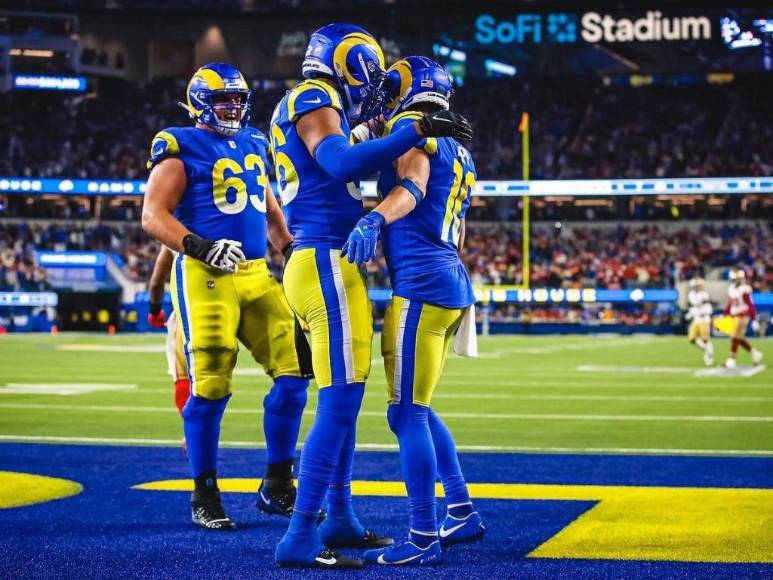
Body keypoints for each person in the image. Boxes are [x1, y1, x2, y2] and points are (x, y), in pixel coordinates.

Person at [270, 25, 473, 569]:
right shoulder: (315, 98)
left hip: (328, 260)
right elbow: (340, 163)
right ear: (351, 61)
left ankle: (338, 516)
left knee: (347, 399)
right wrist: (416, 128)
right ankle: (300, 534)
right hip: (324, 259)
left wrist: (386, 130)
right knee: (340, 401)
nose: (373, 89)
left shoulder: (317, 104)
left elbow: (346, 149)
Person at [142, 62, 314, 531]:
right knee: (212, 382)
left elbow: (269, 208)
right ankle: (205, 492)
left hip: (257, 273)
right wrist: (200, 246)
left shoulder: (255, 142)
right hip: (206, 274)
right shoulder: (179, 144)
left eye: (238, 99)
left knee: (296, 374)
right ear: (200, 102)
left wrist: (290, 251)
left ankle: (277, 483)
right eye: (223, 99)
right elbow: (153, 215)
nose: (233, 107)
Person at [341, 56, 484, 566]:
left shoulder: (413, 129)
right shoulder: (459, 148)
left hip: (422, 287)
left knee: (404, 414)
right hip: (450, 282)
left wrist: (375, 219)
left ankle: (423, 534)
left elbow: (414, 186)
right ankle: (460, 509)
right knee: (417, 409)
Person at [723, 269, 763, 368]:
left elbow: (750, 304)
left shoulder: (744, 289)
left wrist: (754, 319)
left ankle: (732, 359)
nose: (735, 281)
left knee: (734, 336)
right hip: (735, 315)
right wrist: (725, 314)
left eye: (737, 279)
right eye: (734, 279)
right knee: (739, 338)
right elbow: (730, 303)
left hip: (742, 314)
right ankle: (755, 354)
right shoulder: (731, 288)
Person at [685, 277, 714, 366]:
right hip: (696, 318)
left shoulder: (704, 294)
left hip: (704, 318)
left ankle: (709, 356)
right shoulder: (691, 294)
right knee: (692, 339)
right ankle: (708, 351)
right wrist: (691, 313)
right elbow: (693, 306)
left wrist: (703, 312)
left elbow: (707, 307)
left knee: (705, 339)